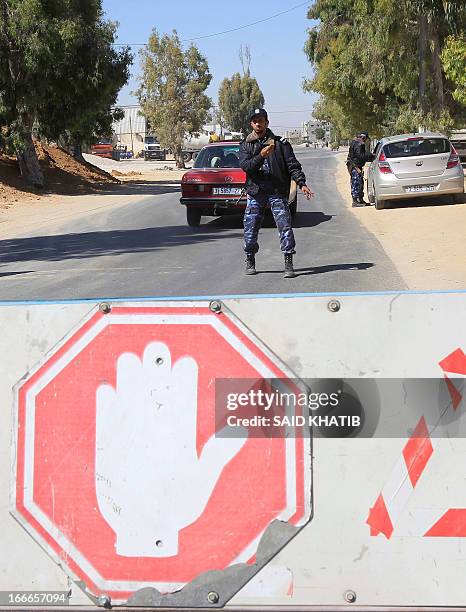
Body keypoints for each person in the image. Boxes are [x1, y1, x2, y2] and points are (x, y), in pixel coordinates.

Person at [239, 108, 315, 278]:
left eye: (261, 120)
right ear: (251, 123)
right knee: (250, 229)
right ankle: (250, 259)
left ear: (267, 122)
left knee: (285, 227)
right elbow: (246, 166)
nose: (258, 123)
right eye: (255, 120)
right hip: (256, 192)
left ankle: (288, 263)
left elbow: (292, 165)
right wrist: (261, 155)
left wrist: (302, 183)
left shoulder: (281, 143)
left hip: (276, 191)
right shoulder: (246, 145)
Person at [346, 132, 374, 207]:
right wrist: (369, 155)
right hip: (355, 166)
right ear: (363, 138)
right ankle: (355, 201)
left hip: (357, 166)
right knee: (356, 183)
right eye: (365, 139)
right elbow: (360, 155)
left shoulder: (358, 143)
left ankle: (360, 200)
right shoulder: (357, 144)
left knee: (360, 183)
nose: (366, 141)